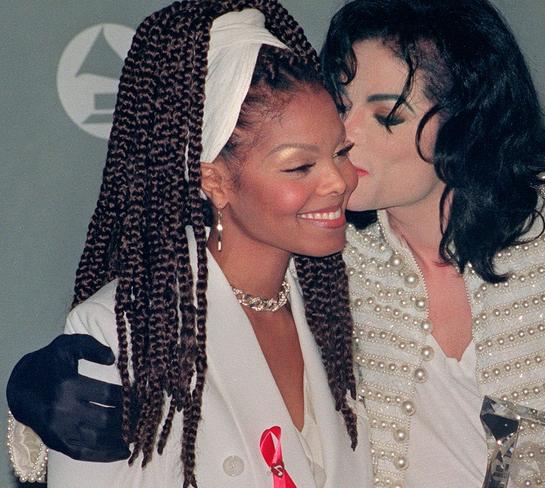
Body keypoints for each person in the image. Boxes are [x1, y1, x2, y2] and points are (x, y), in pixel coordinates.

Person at [7, 0, 545, 487]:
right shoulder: (337, 265)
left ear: (469, 115)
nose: (347, 147)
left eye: (387, 113)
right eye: (341, 105)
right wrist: (30, 402)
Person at [6, 1, 374, 487]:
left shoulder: (346, 301)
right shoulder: (126, 333)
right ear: (215, 181)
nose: (340, 181)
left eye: (341, 152)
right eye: (299, 167)